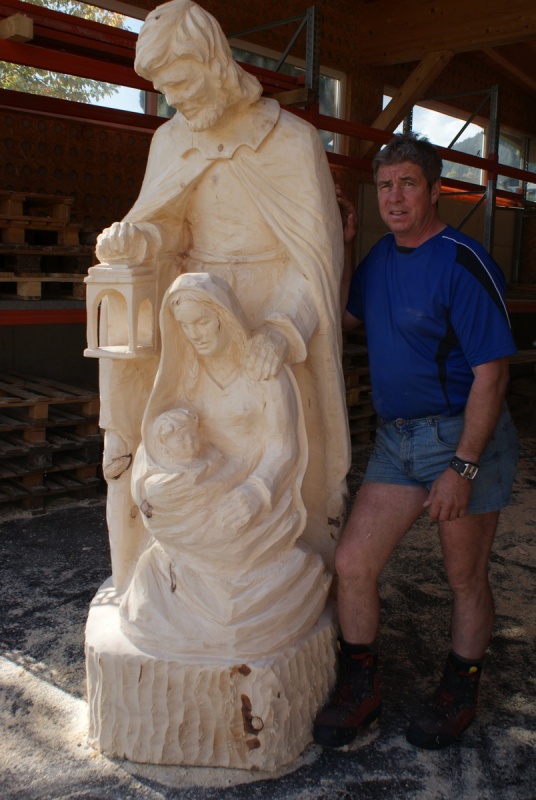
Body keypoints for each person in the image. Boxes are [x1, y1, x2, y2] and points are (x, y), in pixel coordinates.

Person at [94, 0, 350, 583]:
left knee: (267, 440)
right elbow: (169, 226)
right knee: (179, 440)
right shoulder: (170, 140)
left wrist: (282, 331)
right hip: (192, 314)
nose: (174, 99)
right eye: (162, 89)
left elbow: (314, 258)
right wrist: (139, 239)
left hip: (269, 308)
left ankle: (271, 569)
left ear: (213, 60)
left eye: (180, 82)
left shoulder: (291, 140)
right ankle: (170, 573)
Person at [313, 132, 518, 750]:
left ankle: (460, 688)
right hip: (396, 441)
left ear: (434, 190)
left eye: (407, 183)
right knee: (352, 564)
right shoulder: (380, 257)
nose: (395, 197)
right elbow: (343, 318)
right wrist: (347, 247)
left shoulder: (463, 261)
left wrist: (463, 467)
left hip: (460, 437)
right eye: (385, 186)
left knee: (463, 576)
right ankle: (361, 686)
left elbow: (492, 374)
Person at [119, 272, 330, 660]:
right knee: (167, 526)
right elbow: (159, 432)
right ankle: (179, 602)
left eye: (203, 322)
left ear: (226, 317)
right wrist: (151, 476)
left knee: (224, 538)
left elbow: (283, 447)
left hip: (255, 488)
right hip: (204, 481)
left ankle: (250, 600)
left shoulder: (262, 371)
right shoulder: (187, 373)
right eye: (185, 326)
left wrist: (256, 493)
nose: (195, 334)